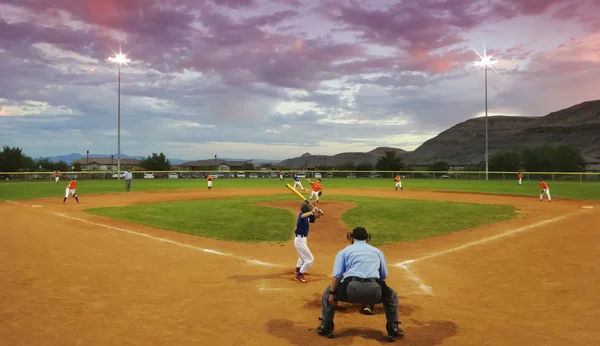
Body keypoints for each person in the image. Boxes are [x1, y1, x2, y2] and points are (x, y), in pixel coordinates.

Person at [316, 227, 404, 342]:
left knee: (328, 291)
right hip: (374, 292)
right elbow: (383, 275)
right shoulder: (377, 252)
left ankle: (325, 327)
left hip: (350, 292)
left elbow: (337, 276)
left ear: (352, 238)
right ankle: (394, 330)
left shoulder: (344, 252)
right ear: (367, 238)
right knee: (391, 295)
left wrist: (332, 293)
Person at [293, 200, 322, 283]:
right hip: (299, 240)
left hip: (302, 239)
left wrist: (317, 214)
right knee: (309, 259)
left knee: (302, 257)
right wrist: (312, 211)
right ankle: (299, 275)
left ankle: (298, 269)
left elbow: (314, 217)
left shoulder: (307, 216)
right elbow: (303, 216)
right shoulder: (301, 216)